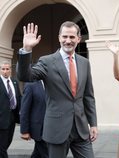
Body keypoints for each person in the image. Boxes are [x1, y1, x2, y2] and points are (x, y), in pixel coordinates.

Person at [17, 21, 98, 158]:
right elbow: (25, 75)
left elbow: (88, 96)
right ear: (59, 37)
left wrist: (93, 123)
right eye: (65, 37)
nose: (68, 41)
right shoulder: (47, 61)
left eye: (72, 37)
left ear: (78, 39)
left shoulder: (85, 63)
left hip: (81, 129)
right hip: (57, 129)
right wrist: (26, 50)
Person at [20, 80, 48, 158]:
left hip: (50, 128)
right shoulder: (30, 85)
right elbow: (24, 109)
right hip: (38, 129)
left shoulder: (52, 83)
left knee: (37, 154)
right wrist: (24, 131)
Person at [0, 61, 21, 158]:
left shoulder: (14, 82)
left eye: (7, 69)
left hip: (12, 119)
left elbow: (19, 98)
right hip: (1, 120)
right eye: (3, 69)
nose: (5, 71)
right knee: (2, 147)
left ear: (10, 70)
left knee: (7, 142)